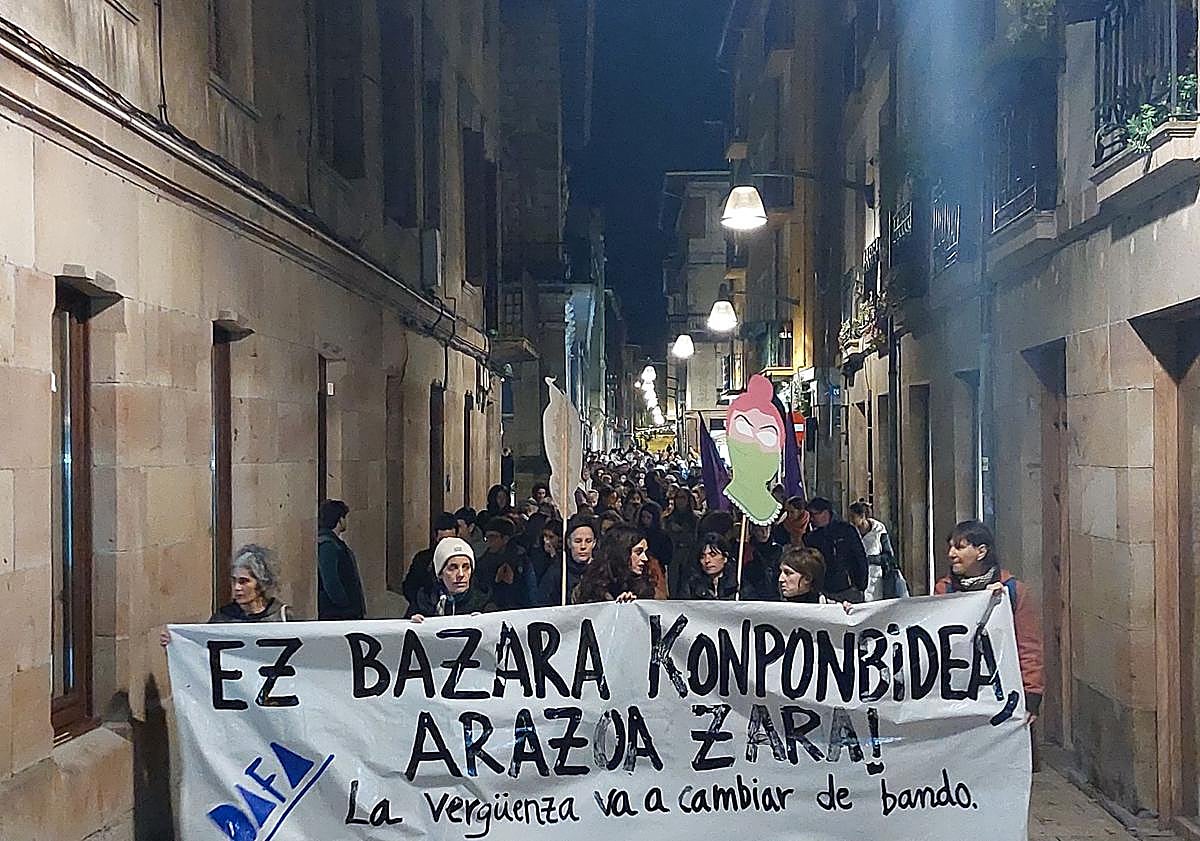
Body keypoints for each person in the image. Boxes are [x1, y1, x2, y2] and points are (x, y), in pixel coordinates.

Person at [934, 520, 1044, 724]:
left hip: (1002, 694)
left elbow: (1028, 647)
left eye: (959, 547)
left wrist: (1031, 697)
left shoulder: (1013, 592)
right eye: (950, 547)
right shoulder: (944, 591)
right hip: (959, 695)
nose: (951, 554)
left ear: (981, 551)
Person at [161, 545, 293, 646]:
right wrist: (175, 644)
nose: (237, 588)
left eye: (244, 581)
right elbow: (200, 655)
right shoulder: (223, 618)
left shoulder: (283, 617)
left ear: (261, 583)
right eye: (234, 581)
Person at [408, 537, 494, 620]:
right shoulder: (424, 600)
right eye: (453, 568)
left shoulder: (485, 601)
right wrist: (413, 624)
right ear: (440, 573)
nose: (461, 574)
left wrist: (485, 622)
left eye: (466, 567)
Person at [802, 497, 868, 603]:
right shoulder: (812, 537)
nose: (812, 519)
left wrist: (861, 585)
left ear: (825, 513)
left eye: (814, 514)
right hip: (824, 589)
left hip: (848, 587)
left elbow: (859, 557)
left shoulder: (846, 530)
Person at [572, 524, 656, 604]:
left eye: (645, 552)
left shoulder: (644, 586)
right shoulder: (590, 588)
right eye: (638, 552)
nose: (645, 558)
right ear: (621, 553)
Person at [317, 499, 366, 620]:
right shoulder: (328, 545)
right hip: (338, 613)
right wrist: (345, 604)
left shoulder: (333, 543)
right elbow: (331, 580)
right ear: (339, 519)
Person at [848, 500, 907, 600]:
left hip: (876, 580)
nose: (851, 520)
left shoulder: (879, 530)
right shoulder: (850, 532)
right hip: (857, 580)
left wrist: (869, 559)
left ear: (862, 516)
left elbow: (888, 556)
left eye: (853, 517)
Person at [475, 516, 537, 610]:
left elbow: (530, 591)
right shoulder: (483, 560)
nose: (489, 541)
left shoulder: (521, 560)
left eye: (493, 537)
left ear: (505, 539)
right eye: (487, 537)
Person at [401, 512, 458, 608]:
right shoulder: (423, 560)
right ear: (436, 538)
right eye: (443, 540)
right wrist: (423, 603)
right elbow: (409, 587)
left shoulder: (465, 560)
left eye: (450, 540)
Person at [539, 515, 597, 606]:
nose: (583, 546)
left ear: (594, 543)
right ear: (569, 542)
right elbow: (542, 604)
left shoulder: (601, 570)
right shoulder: (557, 571)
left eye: (588, 541)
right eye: (577, 541)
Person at [679, 533, 738, 600]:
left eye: (713, 555)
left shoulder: (737, 584)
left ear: (725, 557)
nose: (707, 560)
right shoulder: (692, 585)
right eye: (702, 557)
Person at [664, 488, 700, 595]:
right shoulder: (668, 520)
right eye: (678, 497)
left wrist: (682, 532)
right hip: (673, 559)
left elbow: (696, 540)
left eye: (683, 497)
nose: (680, 501)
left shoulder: (696, 520)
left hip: (689, 559)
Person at [741, 523, 782, 601]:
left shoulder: (778, 550)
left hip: (775, 596)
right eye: (760, 529)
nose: (765, 532)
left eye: (767, 528)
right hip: (752, 596)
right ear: (753, 530)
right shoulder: (746, 550)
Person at [528, 519, 563, 583]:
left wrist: (554, 556)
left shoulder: (564, 555)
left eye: (551, 537)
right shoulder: (536, 553)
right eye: (545, 536)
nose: (546, 540)